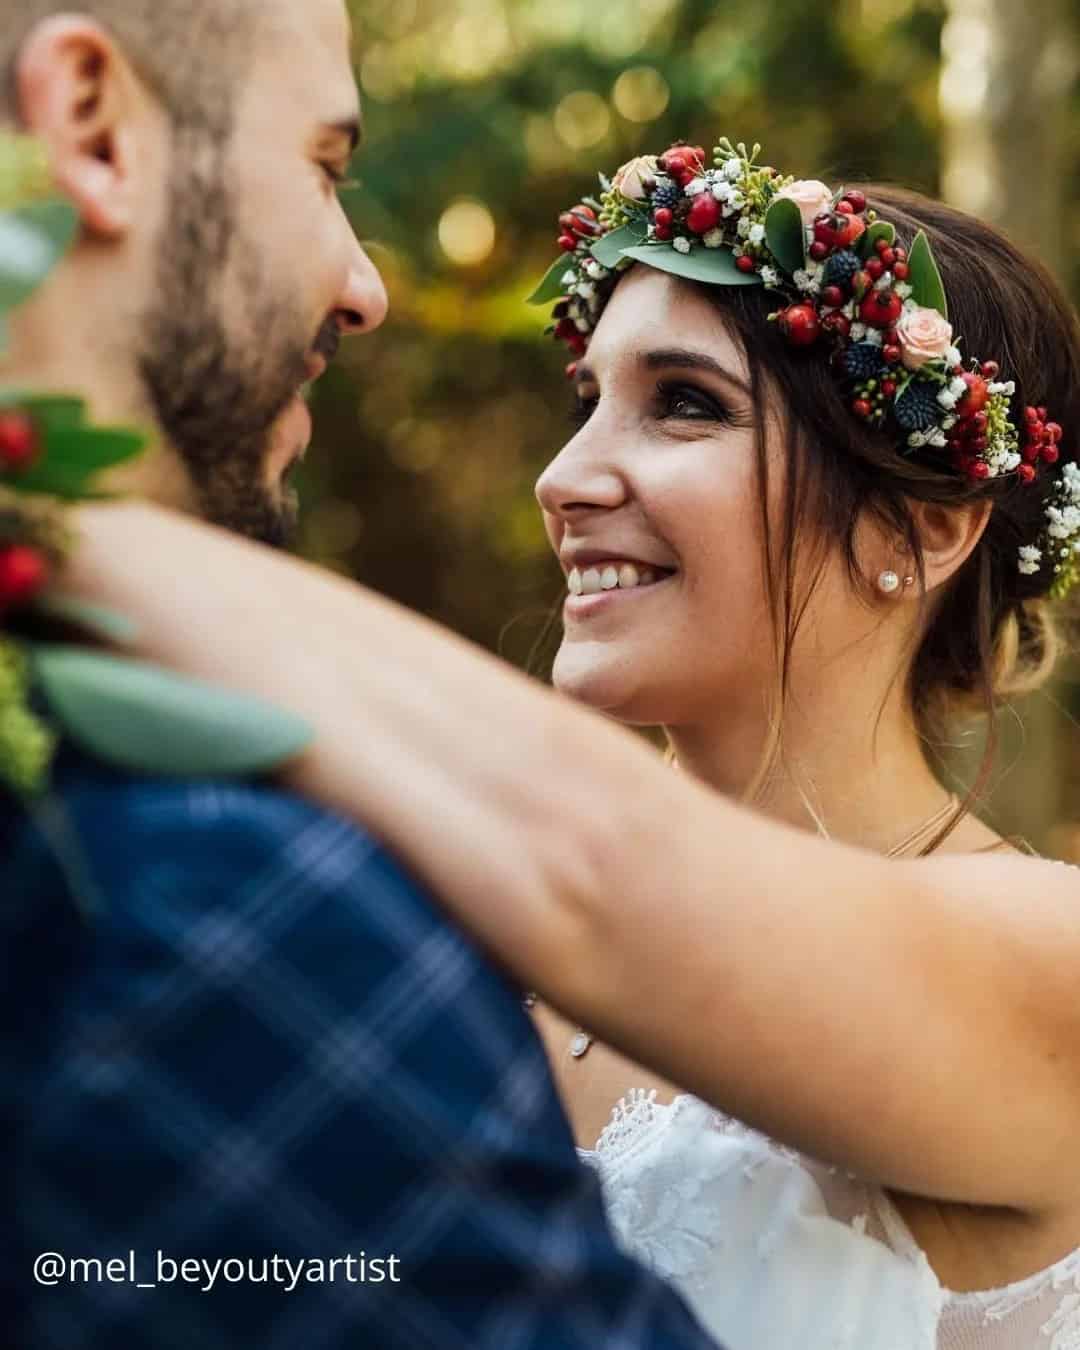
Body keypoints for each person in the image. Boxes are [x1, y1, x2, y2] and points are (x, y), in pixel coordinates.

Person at [62, 138, 1080, 1350]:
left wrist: (61, 526)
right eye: (586, 402)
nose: (563, 476)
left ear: (924, 528)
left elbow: (593, 865)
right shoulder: (462, 946)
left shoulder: (1049, 960)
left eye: (686, 404)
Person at [0, 5, 725, 1348]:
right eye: (326, 166)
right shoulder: (219, 898)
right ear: (91, 125)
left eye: (686, 402)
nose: (367, 287)